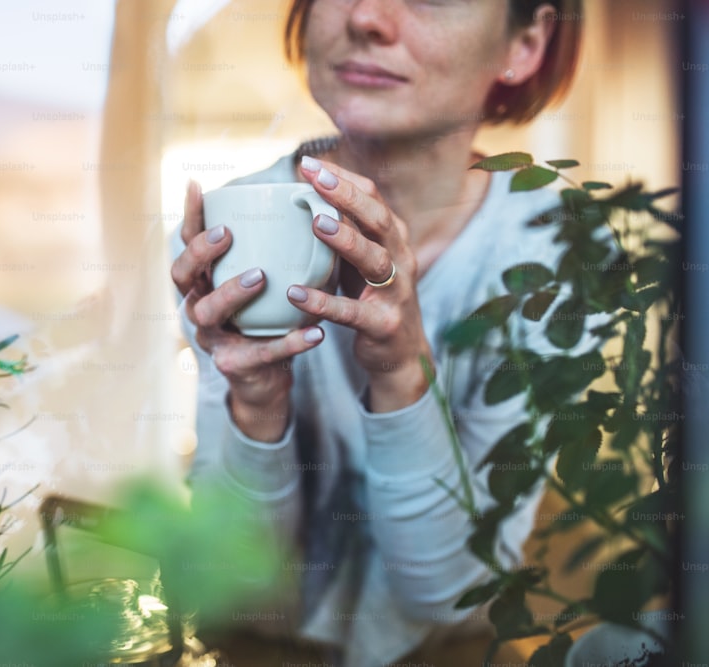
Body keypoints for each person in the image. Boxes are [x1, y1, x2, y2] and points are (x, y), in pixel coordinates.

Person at [170, 1, 584, 665]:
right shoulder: (231, 234)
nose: (366, 16)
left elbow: (447, 598)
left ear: (526, 41)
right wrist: (253, 397)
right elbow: (241, 594)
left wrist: (400, 369)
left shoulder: (558, 252)